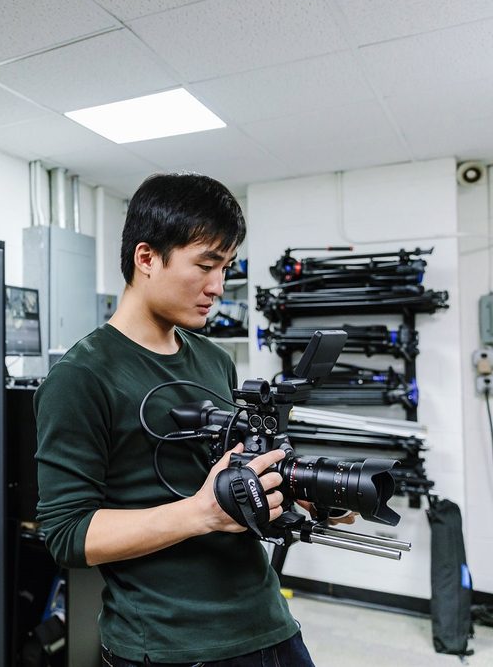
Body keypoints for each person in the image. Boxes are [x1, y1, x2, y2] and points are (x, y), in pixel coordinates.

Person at [34, 173, 325, 666]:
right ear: (146, 258)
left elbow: (230, 481)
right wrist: (199, 514)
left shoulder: (214, 360)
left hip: (268, 624)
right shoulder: (81, 377)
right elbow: (67, 533)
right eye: (205, 266)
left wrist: (303, 491)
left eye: (226, 267)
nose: (218, 287)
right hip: (170, 647)